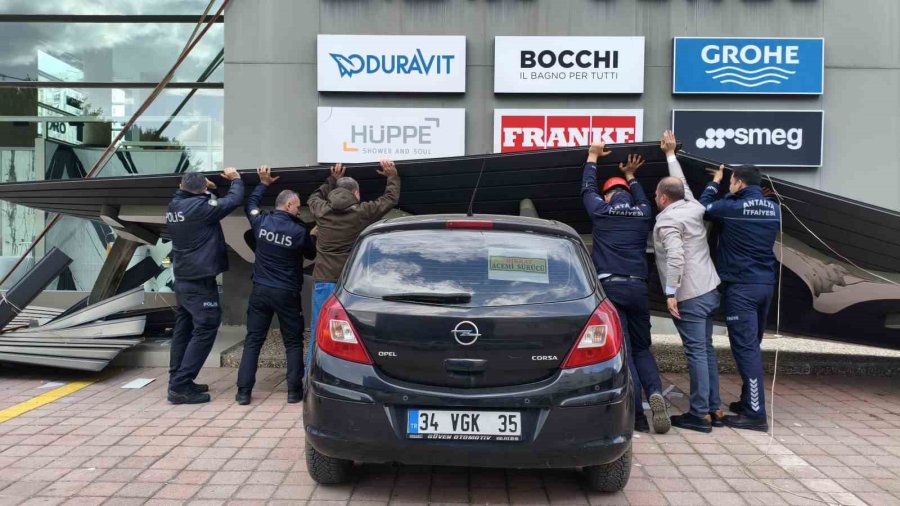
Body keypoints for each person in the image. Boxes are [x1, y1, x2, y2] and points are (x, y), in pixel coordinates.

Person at [581, 140, 669, 434]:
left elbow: (587, 190)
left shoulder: (601, 212)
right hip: (638, 289)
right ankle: (655, 391)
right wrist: (632, 176)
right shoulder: (643, 212)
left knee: (626, 352)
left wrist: (592, 157)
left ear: (607, 197)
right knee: (643, 348)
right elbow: (644, 198)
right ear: (629, 196)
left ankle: (637, 417)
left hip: (612, 287)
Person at [700, 164, 780, 432]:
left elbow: (705, 207)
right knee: (752, 347)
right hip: (765, 285)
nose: (729, 185)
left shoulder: (731, 207)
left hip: (742, 288)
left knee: (745, 351)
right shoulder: (774, 209)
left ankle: (756, 414)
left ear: (739, 183)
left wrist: (716, 183)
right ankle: (748, 402)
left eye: (731, 182)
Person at [653, 130, 723, 433]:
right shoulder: (693, 207)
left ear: (664, 199)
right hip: (709, 288)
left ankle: (698, 415)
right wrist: (670, 155)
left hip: (691, 294)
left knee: (696, 352)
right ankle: (713, 408)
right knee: (705, 350)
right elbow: (682, 187)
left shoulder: (668, 219)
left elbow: (676, 258)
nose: (656, 199)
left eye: (657, 195)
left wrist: (670, 292)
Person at [306, 160, 401, 367]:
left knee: (318, 332)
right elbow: (390, 199)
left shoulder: (321, 210)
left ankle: (310, 381)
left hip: (323, 280)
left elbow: (313, 197)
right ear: (356, 194)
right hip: (350, 284)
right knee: (351, 336)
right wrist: (392, 175)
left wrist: (332, 180)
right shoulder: (361, 213)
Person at [236, 166, 317, 406]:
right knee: (292, 341)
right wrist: (312, 234)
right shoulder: (298, 231)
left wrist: (263, 183)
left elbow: (250, 203)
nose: (299, 208)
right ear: (290, 205)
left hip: (260, 291)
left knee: (253, 340)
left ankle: (243, 392)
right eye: (298, 205)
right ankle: (293, 392)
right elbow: (311, 253)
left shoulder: (260, 221)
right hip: (287, 293)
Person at [166, 168, 244, 404]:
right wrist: (236, 180)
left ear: (181, 186)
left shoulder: (174, 206)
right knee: (207, 325)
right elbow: (231, 201)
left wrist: (206, 188)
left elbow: (208, 203)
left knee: (184, 328)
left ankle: (177, 380)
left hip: (183, 278)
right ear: (200, 190)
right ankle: (180, 386)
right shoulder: (199, 208)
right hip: (199, 280)